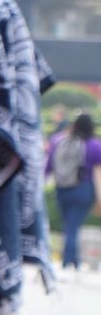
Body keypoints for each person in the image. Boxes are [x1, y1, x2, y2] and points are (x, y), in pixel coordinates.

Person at [48, 111, 101, 273]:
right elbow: (98, 173)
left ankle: (75, 261)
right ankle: (67, 263)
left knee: (69, 225)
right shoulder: (95, 145)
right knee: (73, 227)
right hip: (83, 189)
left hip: (62, 189)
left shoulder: (58, 141)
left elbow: (49, 166)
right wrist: (99, 198)